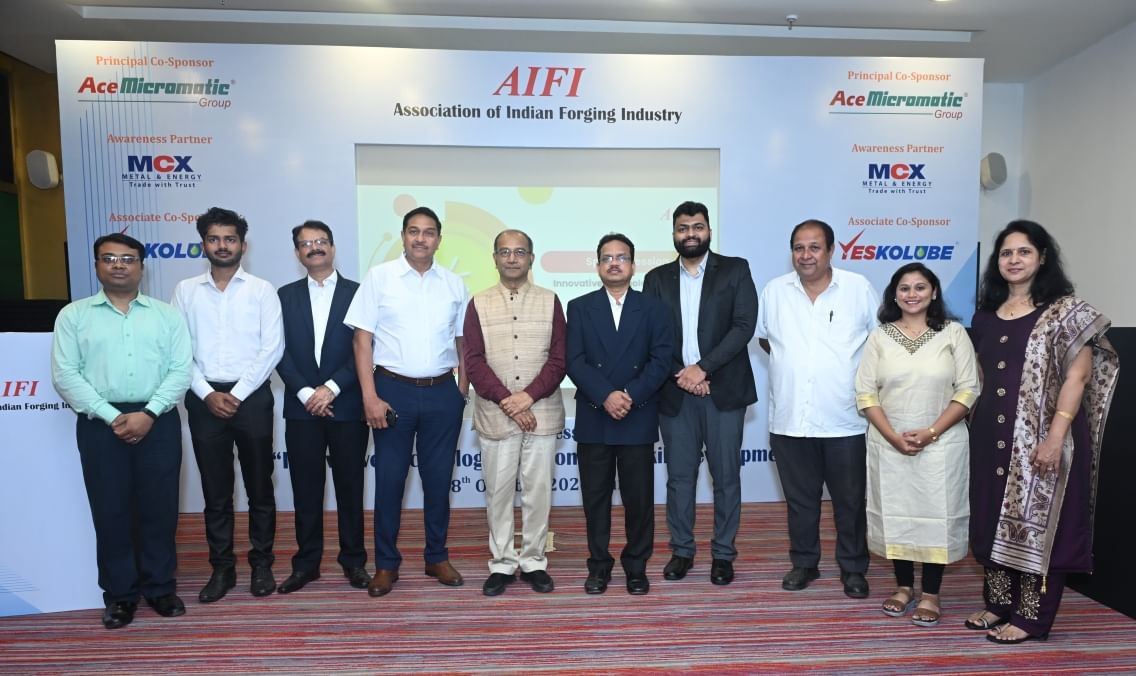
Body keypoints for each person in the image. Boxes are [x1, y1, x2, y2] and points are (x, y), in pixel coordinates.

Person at [966, 220, 1118, 644]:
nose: (1014, 260)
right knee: (992, 516)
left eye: (1024, 252)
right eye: (1006, 253)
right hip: (990, 438)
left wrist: (1054, 438)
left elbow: (1078, 377)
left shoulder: (1067, 313)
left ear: (1042, 257)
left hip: (1045, 438)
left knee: (1039, 524)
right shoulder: (985, 316)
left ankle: (1031, 617)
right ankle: (999, 604)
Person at [51, 233, 193, 629]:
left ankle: (161, 587)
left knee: (159, 510)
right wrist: (111, 415)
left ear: (141, 267)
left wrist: (149, 412)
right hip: (100, 425)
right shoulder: (73, 316)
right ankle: (120, 595)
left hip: (157, 420)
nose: (118, 265)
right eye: (109, 258)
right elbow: (65, 374)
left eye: (127, 259)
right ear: (97, 265)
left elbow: (180, 370)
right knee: (111, 511)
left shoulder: (167, 315)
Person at [344, 205, 469, 598]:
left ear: (439, 239)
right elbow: (361, 340)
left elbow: (463, 341)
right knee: (389, 481)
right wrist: (369, 396)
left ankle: (437, 557)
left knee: (438, 480)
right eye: (413, 231)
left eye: (429, 232)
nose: (420, 238)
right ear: (402, 236)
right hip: (391, 391)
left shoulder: (454, 283)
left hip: (442, 392)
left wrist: (462, 392)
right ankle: (386, 564)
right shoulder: (379, 278)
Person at [757, 219, 878, 598]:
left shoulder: (858, 288)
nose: (805, 255)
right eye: (799, 248)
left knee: (849, 503)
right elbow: (766, 341)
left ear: (831, 251)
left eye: (814, 247)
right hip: (791, 419)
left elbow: (878, 342)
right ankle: (804, 563)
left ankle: (853, 569)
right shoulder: (774, 291)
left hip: (845, 420)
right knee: (800, 502)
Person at [855, 263, 979, 627]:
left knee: (936, 514)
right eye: (904, 288)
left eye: (920, 287)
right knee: (898, 513)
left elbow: (968, 389)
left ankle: (931, 594)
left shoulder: (953, 333)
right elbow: (865, 393)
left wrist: (931, 432)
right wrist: (893, 436)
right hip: (888, 442)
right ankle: (904, 587)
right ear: (894, 295)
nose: (912, 294)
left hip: (942, 444)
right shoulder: (880, 336)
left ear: (934, 292)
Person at [171, 207, 284, 603]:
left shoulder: (262, 290)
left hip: (251, 398)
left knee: (259, 488)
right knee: (215, 492)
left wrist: (237, 393)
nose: (223, 245)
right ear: (203, 244)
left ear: (243, 245)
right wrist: (207, 393)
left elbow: (272, 348)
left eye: (230, 239)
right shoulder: (185, 291)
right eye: (215, 239)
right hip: (204, 399)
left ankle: (262, 565)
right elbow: (177, 349)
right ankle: (222, 569)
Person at [643, 201, 758, 586]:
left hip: (723, 391)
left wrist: (703, 368)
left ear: (709, 230)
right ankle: (682, 550)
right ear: (673, 234)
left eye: (697, 227)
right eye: (682, 228)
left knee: (726, 477)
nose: (690, 234)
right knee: (679, 478)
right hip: (676, 392)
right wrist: (684, 374)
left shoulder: (736, 269)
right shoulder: (656, 278)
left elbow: (743, 326)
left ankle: (723, 554)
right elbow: (652, 335)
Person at [566, 233, 673, 595]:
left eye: (622, 257)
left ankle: (636, 566)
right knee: (595, 500)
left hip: (637, 413)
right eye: (607, 258)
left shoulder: (653, 308)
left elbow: (661, 359)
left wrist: (629, 395)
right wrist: (606, 395)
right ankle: (598, 566)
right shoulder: (579, 307)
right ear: (598, 266)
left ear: (633, 265)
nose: (614, 263)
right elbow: (574, 361)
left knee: (638, 500)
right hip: (595, 414)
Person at [463, 229, 567, 596]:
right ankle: (503, 562)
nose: (512, 258)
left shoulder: (550, 300)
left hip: (542, 412)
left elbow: (559, 359)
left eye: (519, 252)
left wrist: (527, 397)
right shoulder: (478, 303)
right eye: (505, 252)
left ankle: (534, 560)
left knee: (538, 493)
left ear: (531, 258)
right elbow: (473, 361)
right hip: (496, 414)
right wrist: (509, 400)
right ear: (494, 258)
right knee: (499, 494)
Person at [275, 221, 371, 593]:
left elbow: (365, 348)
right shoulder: (284, 296)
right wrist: (305, 393)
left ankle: (354, 562)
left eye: (320, 241)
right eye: (306, 243)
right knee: (306, 491)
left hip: (346, 405)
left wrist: (330, 389)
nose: (314, 247)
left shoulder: (359, 293)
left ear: (332, 247)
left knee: (350, 488)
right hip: (301, 409)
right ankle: (306, 564)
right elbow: (277, 350)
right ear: (297, 252)